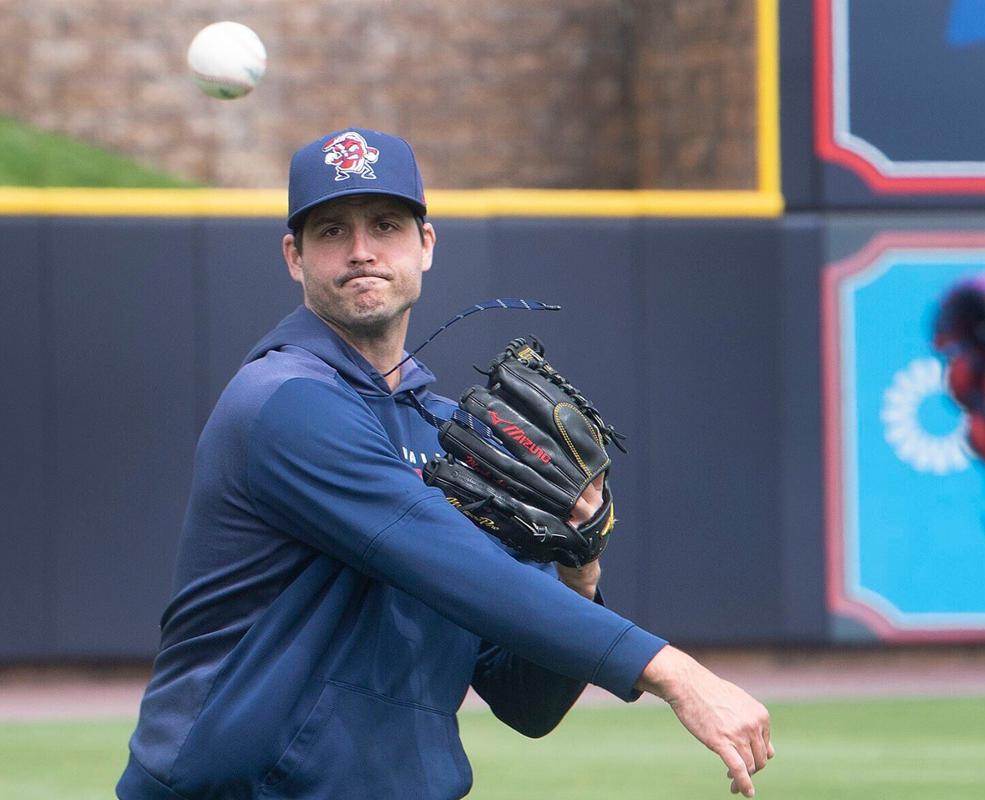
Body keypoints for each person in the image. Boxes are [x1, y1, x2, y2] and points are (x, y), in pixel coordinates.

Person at [116, 127, 773, 800]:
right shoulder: (283, 403)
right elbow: (453, 563)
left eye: (386, 225)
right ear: (295, 256)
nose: (362, 251)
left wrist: (579, 566)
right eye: (332, 231)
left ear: (426, 245)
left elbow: (526, 700)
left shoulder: (444, 432)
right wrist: (673, 672)